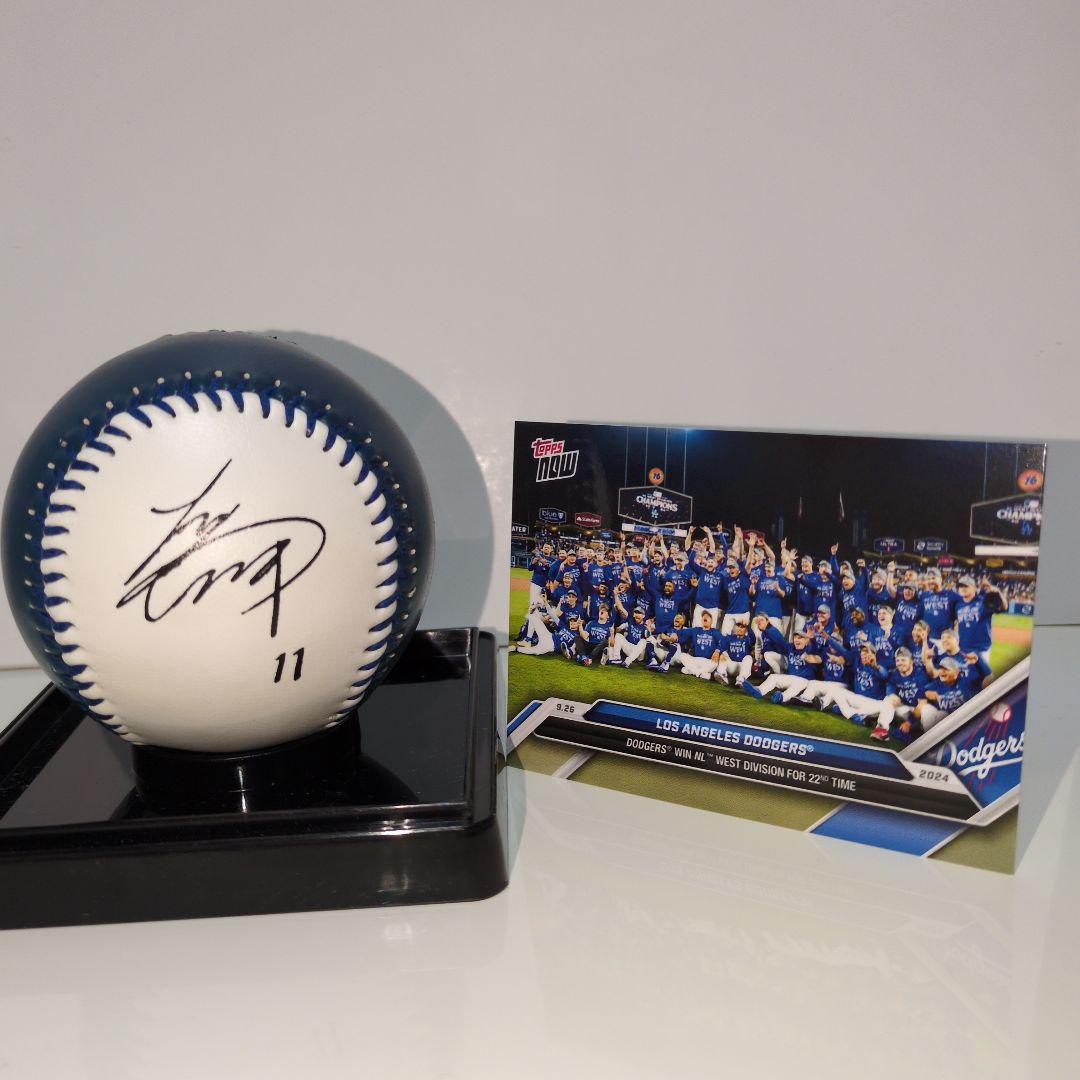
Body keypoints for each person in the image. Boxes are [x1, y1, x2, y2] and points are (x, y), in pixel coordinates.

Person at [742, 628, 822, 704]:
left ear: (806, 641)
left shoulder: (810, 650)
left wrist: (812, 639)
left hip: (805, 681)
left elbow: (816, 651)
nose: (796, 640)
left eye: (800, 638)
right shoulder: (791, 648)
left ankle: (782, 697)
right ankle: (759, 691)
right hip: (791, 678)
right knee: (773, 677)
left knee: (799, 683)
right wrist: (767, 628)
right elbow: (779, 640)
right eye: (795, 637)